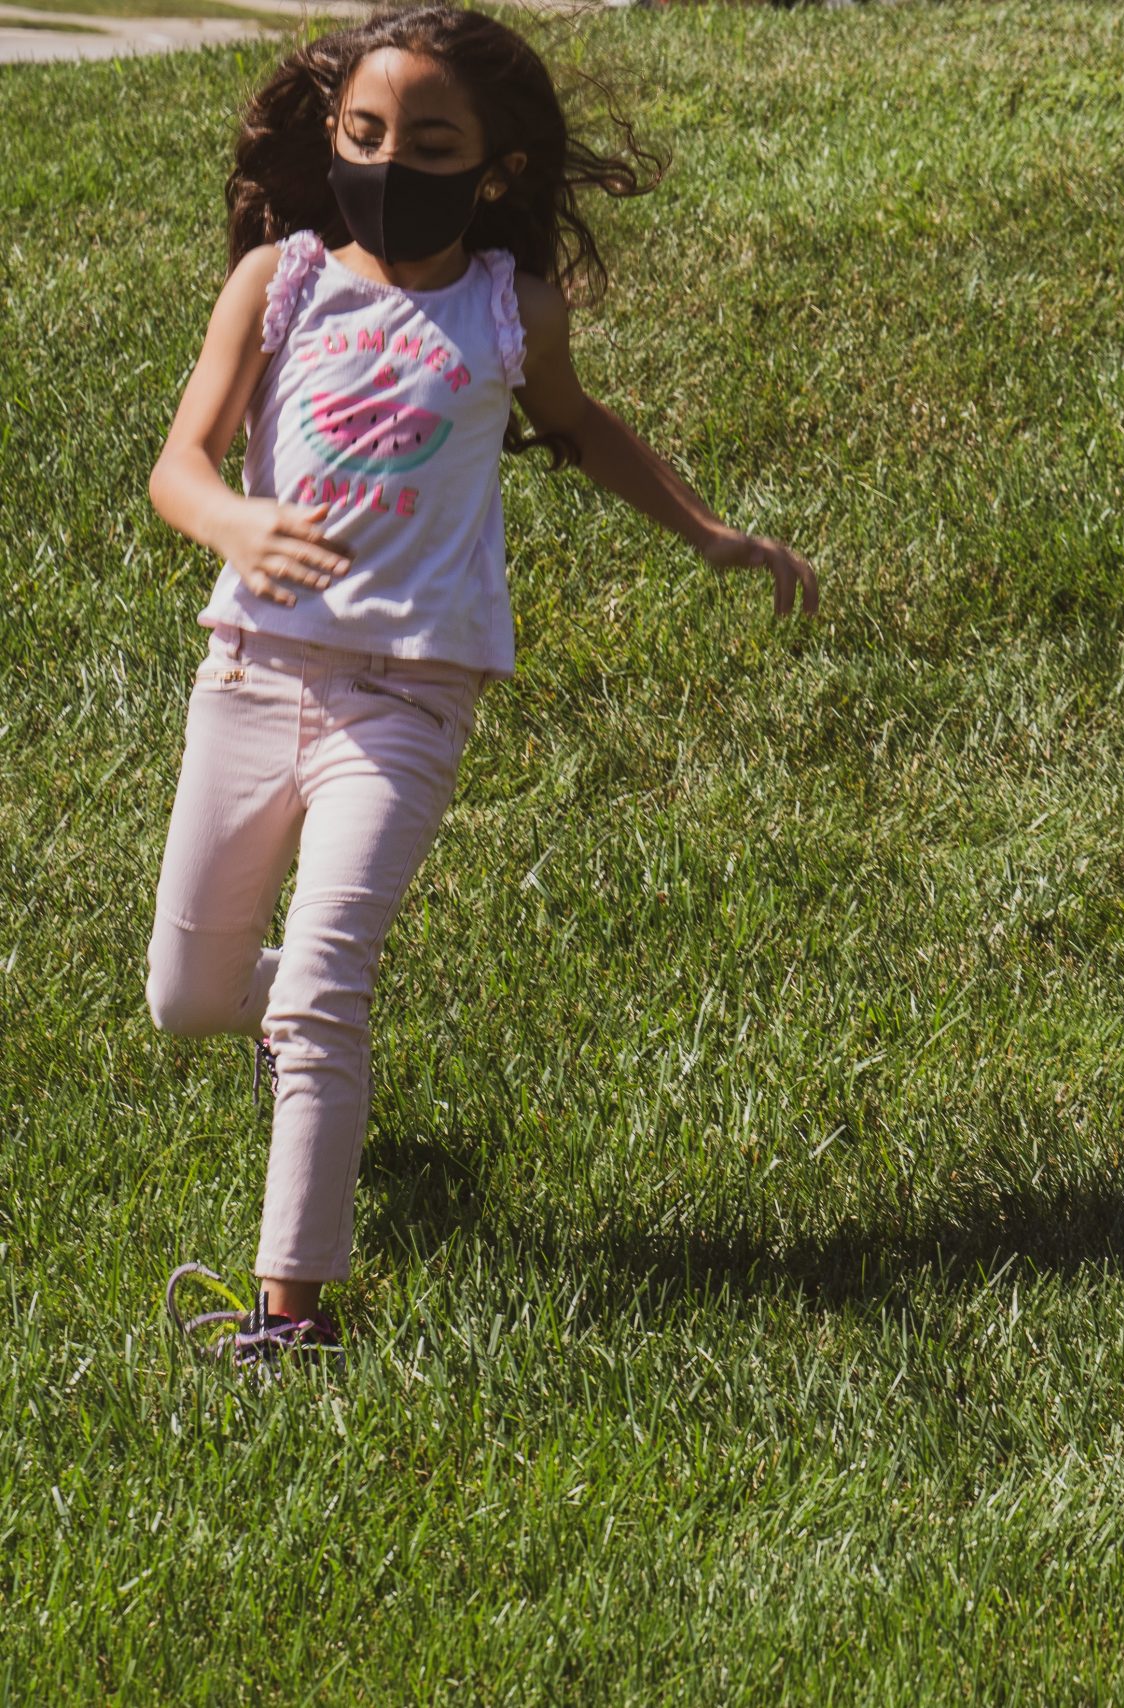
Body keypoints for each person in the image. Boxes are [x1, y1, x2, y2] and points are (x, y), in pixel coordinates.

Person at [147, 4, 818, 1366]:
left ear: (497, 169)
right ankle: (280, 1030)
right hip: (253, 673)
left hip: (407, 701)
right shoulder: (278, 283)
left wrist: (708, 532)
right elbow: (181, 463)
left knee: (328, 982)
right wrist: (236, 523)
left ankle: (290, 1319)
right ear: (333, 136)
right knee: (190, 998)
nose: (390, 163)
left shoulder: (511, 311)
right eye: (365, 133)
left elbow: (578, 427)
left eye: (431, 143)